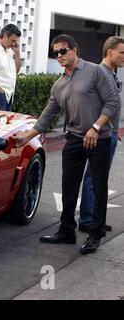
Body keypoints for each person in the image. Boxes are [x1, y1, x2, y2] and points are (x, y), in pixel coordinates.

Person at [12, 34, 119, 255]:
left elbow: (112, 102)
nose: (59, 56)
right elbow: (47, 116)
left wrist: (96, 127)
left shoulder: (94, 71)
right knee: (69, 187)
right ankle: (66, 230)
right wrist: (26, 136)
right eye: (55, 53)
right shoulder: (59, 85)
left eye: (62, 51)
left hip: (99, 138)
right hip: (74, 138)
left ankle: (94, 235)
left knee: (98, 187)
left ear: (74, 50)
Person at [79, 36, 124, 234]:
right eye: (122, 52)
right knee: (93, 178)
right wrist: (101, 129)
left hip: (109, 133)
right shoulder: (101, 73)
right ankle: (88, 220)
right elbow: (99, 105)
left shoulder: (111, 74)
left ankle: (95, 218)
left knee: (100, 178)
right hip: (101, 134)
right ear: (109, 51)